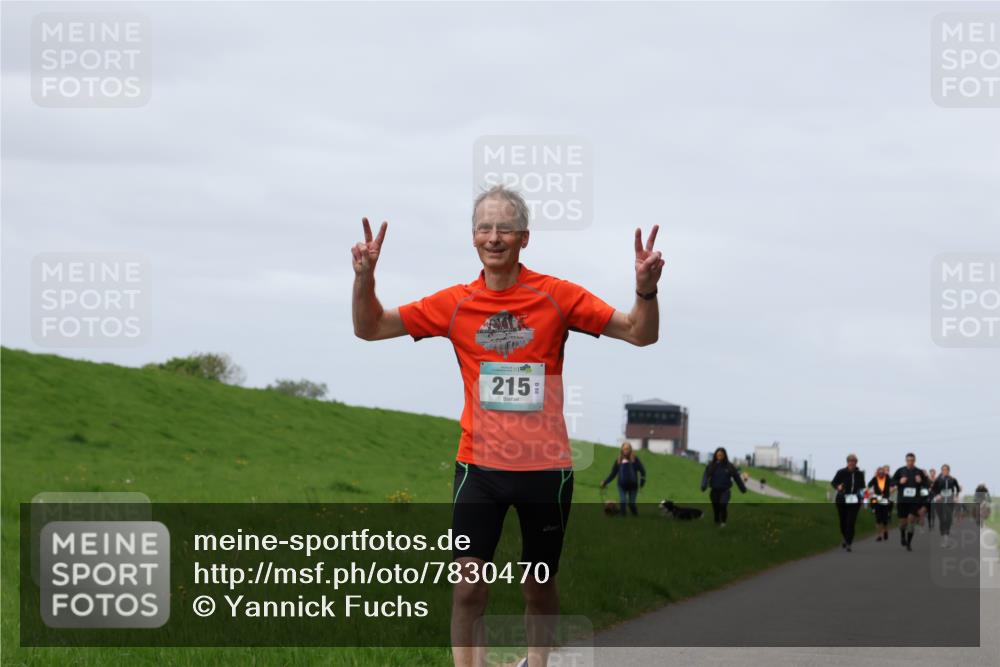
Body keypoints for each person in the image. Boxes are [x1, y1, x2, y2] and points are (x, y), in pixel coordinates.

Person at [351, 185, 663, 667]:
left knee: (538, 583)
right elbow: (370, 327)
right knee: (468, 583)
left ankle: (536, 660)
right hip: (478, 467)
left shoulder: (557, 296)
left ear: (525, 237)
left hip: (545, 469)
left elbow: (641, 333)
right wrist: (364, 278)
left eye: (505, 228)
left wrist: (645, 289)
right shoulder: (456, 303)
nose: (494, 237)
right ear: (473, 237)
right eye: (484, 227)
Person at [891, 452, 930, 551]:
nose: (910, 462)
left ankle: (909, 543)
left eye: (912, 460)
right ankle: (902, 536)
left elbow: (927, 485)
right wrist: (899, 482)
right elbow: (891, 482)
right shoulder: (900, 470)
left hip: (915, 501)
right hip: (902, 500)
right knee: (903, 523)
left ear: (914, 461)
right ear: (906, 461)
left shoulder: (919, 472)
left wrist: (921, 481)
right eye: (908, 460)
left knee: (911, 521)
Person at [700, 447, 747, 527]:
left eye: (721, 455)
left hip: (725, 491)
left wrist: (743, 489)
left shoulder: (729, 466)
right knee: (716, 509)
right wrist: (703, 486)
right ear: (715, 455)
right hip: (714, 491)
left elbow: (737, 478)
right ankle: (716, 521)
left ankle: (723, 523)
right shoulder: (711, 466)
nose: (719, 456)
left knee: (723, 505)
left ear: (724, 455)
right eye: (718, 455)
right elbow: (705, 476)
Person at [600, 442, 647, 516]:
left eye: (627, 449)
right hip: (621, 485)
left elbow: (643, 471)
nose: (626, 451)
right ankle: (622, 517)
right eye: (624, 449)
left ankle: (636, 516)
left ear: (630, 450)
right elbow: (613, 473)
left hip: (633, 486)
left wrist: (642, 483)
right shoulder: (619, 460)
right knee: (623, 501)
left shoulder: (635, 459)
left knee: (631, 504)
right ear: (622, 450)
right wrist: (605, 482)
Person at [831, 454, 866, 551]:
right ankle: (845, 538)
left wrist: (863, 500)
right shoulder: (841, 472)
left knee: (851, 522)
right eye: (850, 461)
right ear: (847, 462)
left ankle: (849, 543)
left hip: (855, 501)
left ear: (856, 463)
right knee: (843, 522)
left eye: (853, 461)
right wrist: (838, 487)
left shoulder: (859, 474)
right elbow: (833, 482)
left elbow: (862, 488)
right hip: (842, 499)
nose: (851, 463)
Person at [930, 464, 961, 546]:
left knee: (948, 518)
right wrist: (937, 495)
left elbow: (957, 489)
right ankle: (943, 534)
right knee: (942, 519)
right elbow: (933, 490)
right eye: (943, 470)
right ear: (941, 471)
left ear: (948, 471)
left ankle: (946, 537)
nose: (944, 471)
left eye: (946, 470)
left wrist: (956, 496)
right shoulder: (938, 480)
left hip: (950, 500)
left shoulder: (953, 479)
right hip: (940, 501)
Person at [867, 465, 892, 542]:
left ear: (884, 473)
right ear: (877, 473)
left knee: (885, 519)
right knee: (878, 519)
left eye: (882, 472)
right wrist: (869, 493)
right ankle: (878, 535)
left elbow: (893, 484)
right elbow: (868, 485)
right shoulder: (875, 479)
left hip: (885, 500)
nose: (881, 474)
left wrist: (891, 490)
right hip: (877, 500)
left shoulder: (888, 478)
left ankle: (885, 531)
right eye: (879, 473)